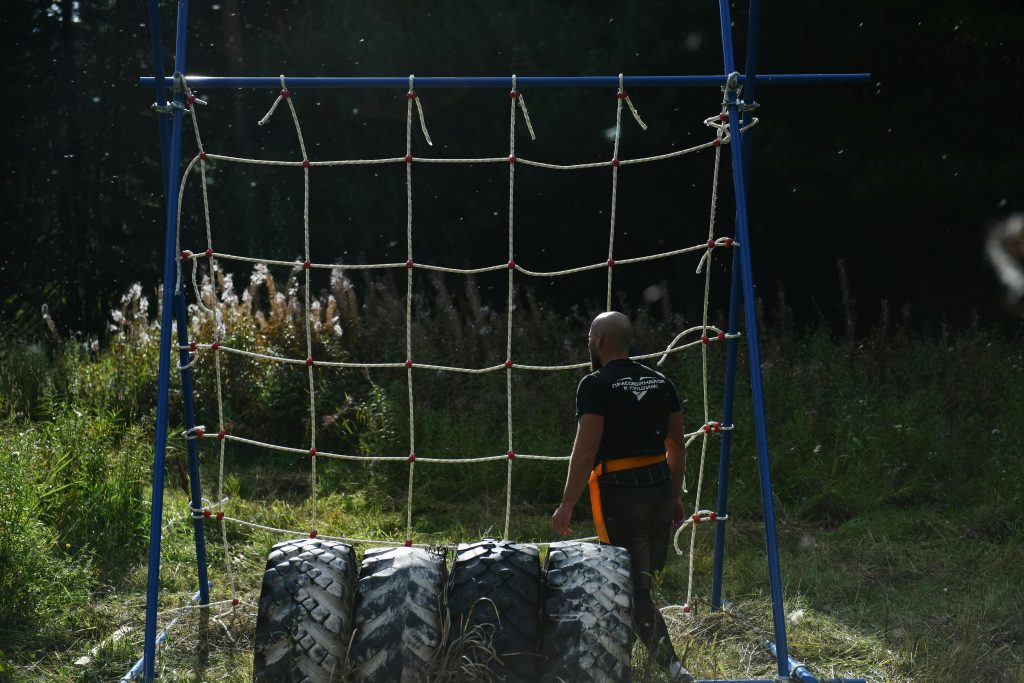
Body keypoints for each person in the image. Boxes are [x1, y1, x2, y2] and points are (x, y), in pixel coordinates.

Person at [551, 310, 693, 682]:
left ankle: (672, 668)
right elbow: (677, 447)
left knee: (632, 587)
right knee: (639, 581)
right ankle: (621, 653)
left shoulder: (594, 385)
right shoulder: (661, 382)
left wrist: (567, 503)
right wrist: (676, 496)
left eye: (588, 337)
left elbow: (586, 451)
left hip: (623, 494)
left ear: (598, 341)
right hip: (660, 488)